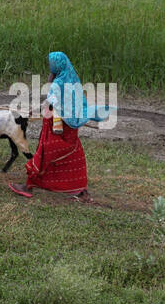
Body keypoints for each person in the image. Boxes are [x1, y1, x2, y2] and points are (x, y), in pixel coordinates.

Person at [9, 51, 111, 201]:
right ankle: (79, 190)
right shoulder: (71, 79)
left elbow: (50, 102)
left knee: (44, 154)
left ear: (57, 65)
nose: (50, 66)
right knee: (71, 155)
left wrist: (34, 110)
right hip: (69, 128)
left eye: (51, 64)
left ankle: (28, 186)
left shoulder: (58, 83)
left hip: (57, 128)